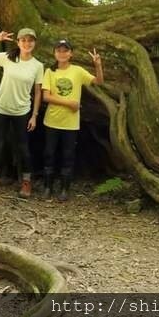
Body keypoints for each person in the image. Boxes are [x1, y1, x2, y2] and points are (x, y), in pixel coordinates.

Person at [0, 27, 44, 198]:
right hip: (1, 107)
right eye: (23, 40)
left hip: (22, 111)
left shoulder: (37, 66)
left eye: (30, 40)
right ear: (18, 42)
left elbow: (38, 92)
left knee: (23, 147)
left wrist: (35, 116)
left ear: (34, 43)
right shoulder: (8, 57)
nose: (27, 43)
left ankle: (26, 182)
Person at [41, 39, 104, 200]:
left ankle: (64, 189)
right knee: (49, 153)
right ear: (55, 53)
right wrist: (69, 103)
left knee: (68, 155)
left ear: (71, 54)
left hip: (70, 123)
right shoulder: (50, 71)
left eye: (65, 50)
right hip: (52, 121)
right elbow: (46, 96)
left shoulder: (77, 71)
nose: (62, 53)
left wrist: (97, 65)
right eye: (59, 50)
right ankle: (47, 187)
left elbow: (98, 82)